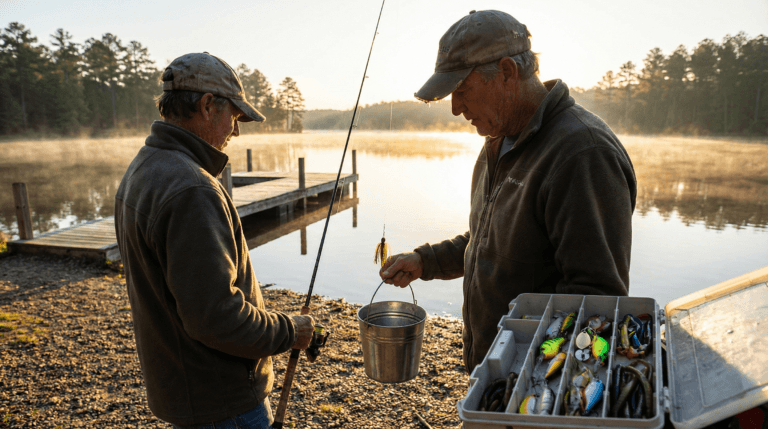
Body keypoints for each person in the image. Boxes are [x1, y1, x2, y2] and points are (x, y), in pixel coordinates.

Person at [380, 10, 637, 374]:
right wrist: (426, 261)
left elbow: (597, 300)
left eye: (462, 90)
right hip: (494, 371)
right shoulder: (499, 142)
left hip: (534, 379)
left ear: (506, 72)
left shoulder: (583, 154)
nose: (455, 109)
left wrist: (525, 379)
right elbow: (490, 239)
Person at [115, 52, 314, 429]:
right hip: (223, 404)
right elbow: (216, 318)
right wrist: (291, 331)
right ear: (207, 106)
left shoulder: (144, 166)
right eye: (234, 117)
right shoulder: (192, 189)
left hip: (185, 391)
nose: (235, 132)